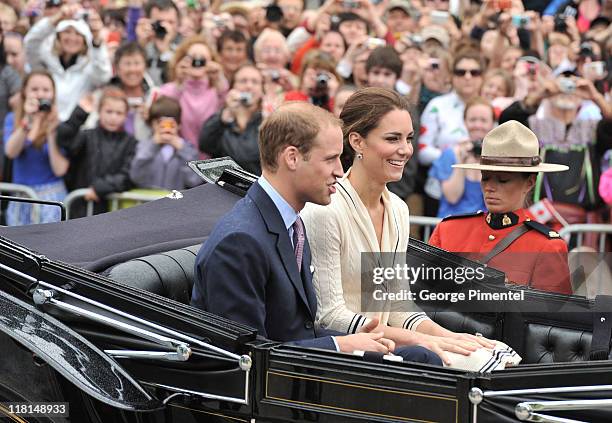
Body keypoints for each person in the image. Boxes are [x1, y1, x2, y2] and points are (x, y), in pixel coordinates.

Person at [191, 101, 440, 363]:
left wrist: (364, 341)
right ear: (292, 158)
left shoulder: (290, 223)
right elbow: (245, 357)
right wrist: (338, 344)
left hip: (299, 370)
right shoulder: (240, 242)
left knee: (419, 357)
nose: (340, 171)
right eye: (330, 159)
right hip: (276, 389)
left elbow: (300, 329)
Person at [302, 88, 493, 365]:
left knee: (482, 354)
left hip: (387, 349)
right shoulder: (326, 210)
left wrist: (451, 337)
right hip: (343, 360)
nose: (405, 150)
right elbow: (330, 316)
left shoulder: (399, 210)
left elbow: (397, 306)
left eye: (409, 139)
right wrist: (423, 341)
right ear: (357, 141)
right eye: (392, 139)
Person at [429, 120, 573, 295]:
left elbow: (552, 316)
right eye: (485, 177)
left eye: (503, 180)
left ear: (529, 182)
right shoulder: (448, 230)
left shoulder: (547, 246)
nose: (490, 187)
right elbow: (423, 293)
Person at [57, 87, 137, 218]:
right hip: (80, 208)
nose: (113, 117)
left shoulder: (131, 143)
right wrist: (79, 114)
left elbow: (128, 175)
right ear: (99, 111)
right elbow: (64, 140)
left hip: (113, 210)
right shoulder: (87, 136)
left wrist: (99, 188)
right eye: (109, 111)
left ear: (126, 115)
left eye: (119, 113)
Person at [24, 4, 112, 121]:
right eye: (67, 32)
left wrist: (96, 41)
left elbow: (103, 76)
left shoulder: (90, 67)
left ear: (85, 40)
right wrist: (54, 19)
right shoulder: (45, 64)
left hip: (78, 132)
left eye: (78, 34)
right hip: (46, 127)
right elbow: (30, 44)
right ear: (58, 36)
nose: (72, 38)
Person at [4, 70, 68, 226]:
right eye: (34, 89)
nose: (40, 94)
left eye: (46, 90)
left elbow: (60, 169)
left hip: (50, 199)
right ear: (24, 92)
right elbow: (11, 152)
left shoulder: (61, 124)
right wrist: (27, 121)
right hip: (21, 197)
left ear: (53, 94)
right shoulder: (13, 119)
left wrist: (51, 133)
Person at [428, 97, 493, 218]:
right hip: (452, 223)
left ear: (492, 123)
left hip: (483, 226)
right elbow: (452, 197)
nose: (478, 125)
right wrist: (461, 162)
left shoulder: (497, 158)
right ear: (465, 122)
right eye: (472, 120)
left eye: (483, 120)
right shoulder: (450, 154)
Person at [199, 64, 264, 175]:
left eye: (255, 82)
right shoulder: (222, 118)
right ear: (233, 86)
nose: (249, 86)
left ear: (262, 89)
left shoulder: (267, 120)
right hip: (223, 187)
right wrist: (225, 115)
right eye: (243, 81)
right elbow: (204, 144)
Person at [130, 96, 200, 190]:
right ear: (151, 124)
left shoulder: (187, 148)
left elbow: (193, 180)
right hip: (148, 201)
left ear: (178, 125)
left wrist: (182, 149)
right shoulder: (144, 146)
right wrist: (153, 145)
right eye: (159, 123)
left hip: (175, 202)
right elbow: (136, 177)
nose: (165, 128)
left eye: (171, 124)